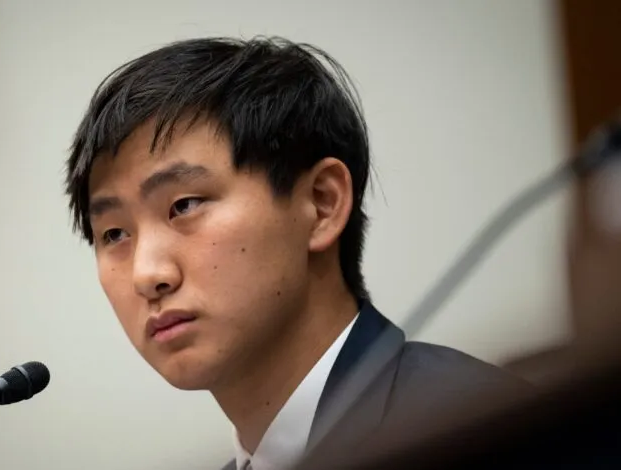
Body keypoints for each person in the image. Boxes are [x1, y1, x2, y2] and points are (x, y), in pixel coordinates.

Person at [64, 36, 525, 470]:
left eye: (184, 205)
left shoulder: (483, 427)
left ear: (322, 204)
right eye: (114, 234)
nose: (148, 274)